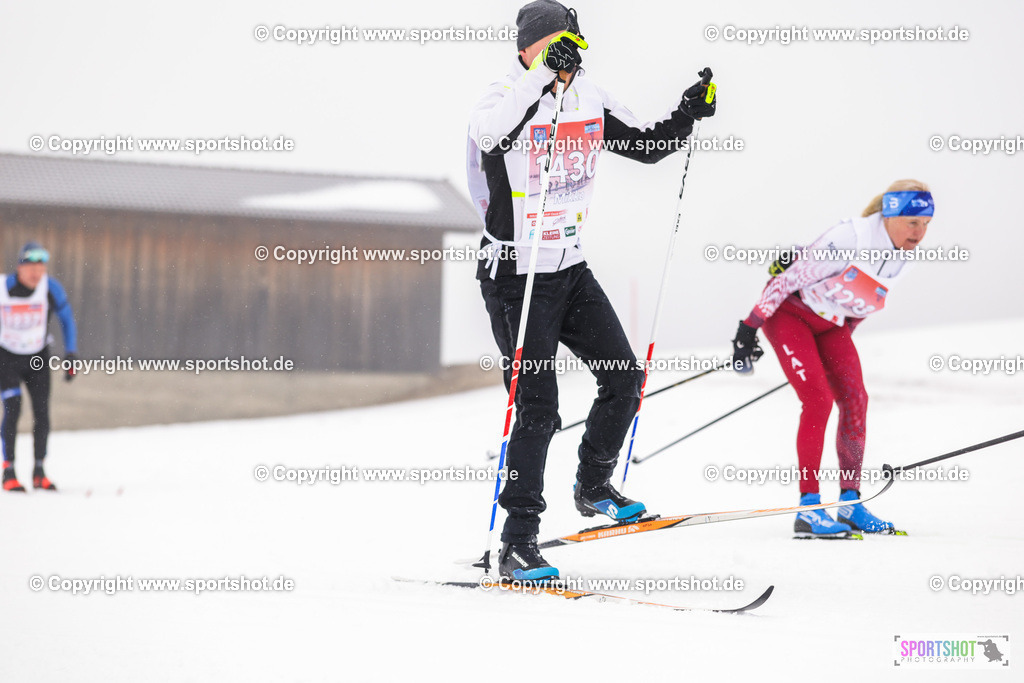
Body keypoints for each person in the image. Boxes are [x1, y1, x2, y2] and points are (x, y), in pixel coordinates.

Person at [468, 0, 716, 580]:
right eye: (550, 44)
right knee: (538, 409)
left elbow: (646, 145)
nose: (564, 54)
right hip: (514, 273)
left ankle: (594, 484)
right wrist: (538, 79)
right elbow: (490, 135)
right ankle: (517, 540)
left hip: (569, 267)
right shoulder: (500, 97)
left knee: (624, 377)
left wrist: (686, 114)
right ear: (526, 48)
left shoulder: (590, 98)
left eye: (572, 43)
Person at [730, 180, 934, 537]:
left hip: (832, 325)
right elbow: (784, 279)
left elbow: (865, 302)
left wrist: (836, 345)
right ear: (889, 214)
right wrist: (749, 329)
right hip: (790, 315)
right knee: (818, 401)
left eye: (927, 223)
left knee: (856, 400)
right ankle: (809, 509)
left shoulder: (906, 258)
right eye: (913, 221)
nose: (920, 231)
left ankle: (849, 503)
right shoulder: (849, 237)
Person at [1, 241, 78, 492]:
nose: (36, 273)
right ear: (19, 268)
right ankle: (9, 471)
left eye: (41, 267)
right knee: (13, 409)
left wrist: (71, 354)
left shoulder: (50, 288)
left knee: (42, 413)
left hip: (37, 358)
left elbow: (67, 320)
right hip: (6, 358)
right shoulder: (3, 288)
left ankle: (39, 470)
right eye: (31, 267)